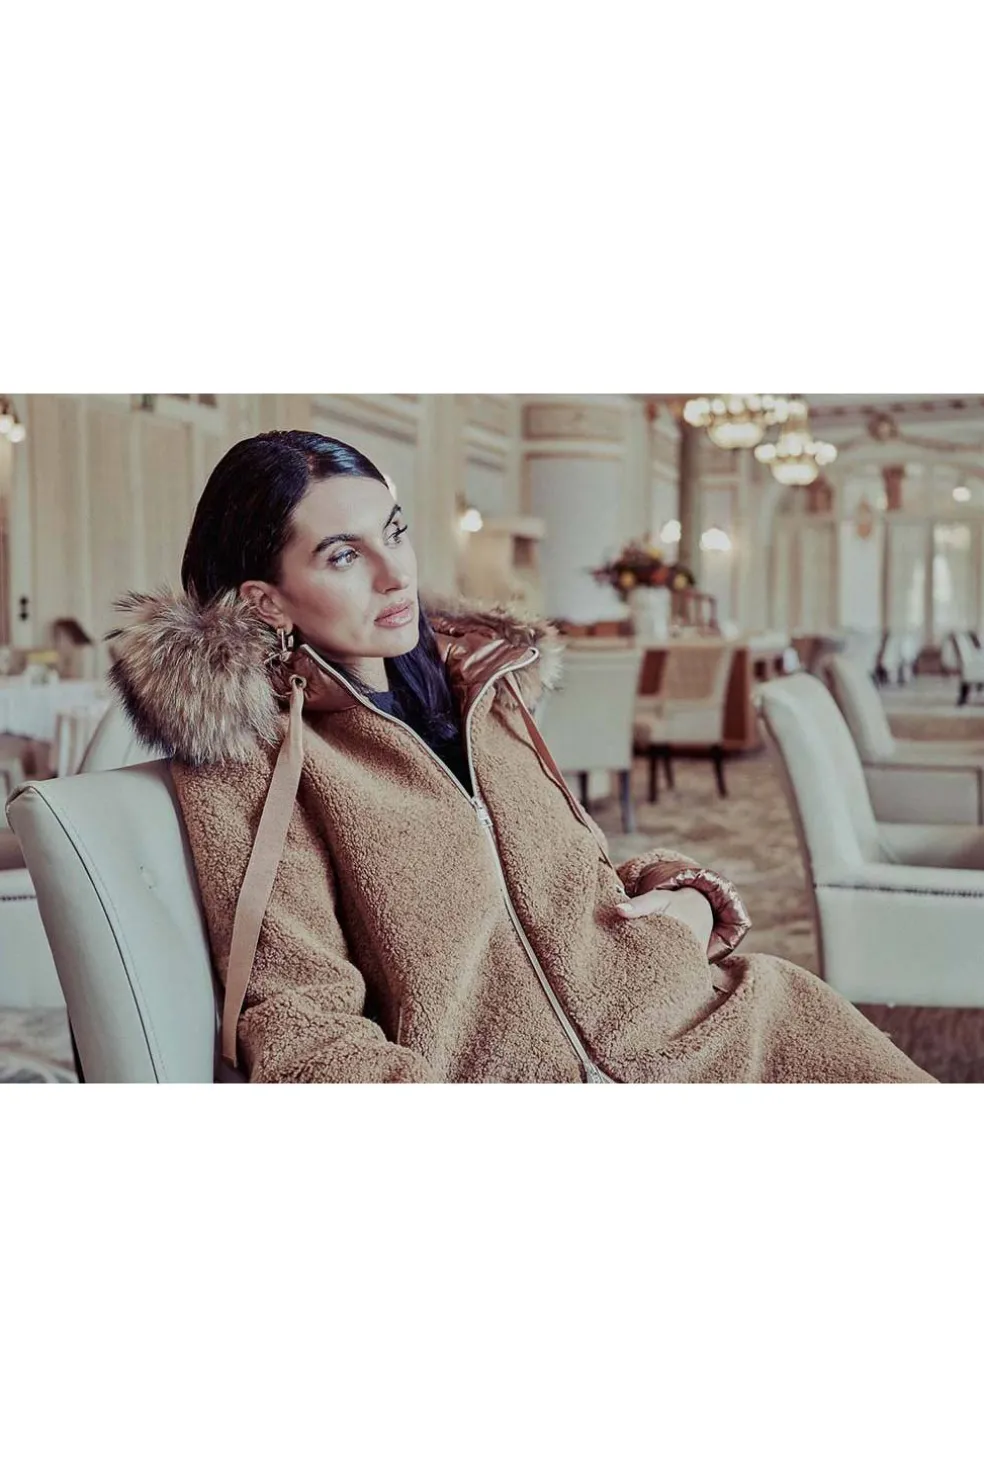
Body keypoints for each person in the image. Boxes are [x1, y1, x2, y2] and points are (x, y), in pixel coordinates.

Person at [108, 431, 931, 1083]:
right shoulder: (251, 756)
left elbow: (553, 885)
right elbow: (303, 1029)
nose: (397, 574)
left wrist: (679, 898)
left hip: (706, 1020)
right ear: (266, 600)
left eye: (395, 532)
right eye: (344, 554)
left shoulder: (479, 689)